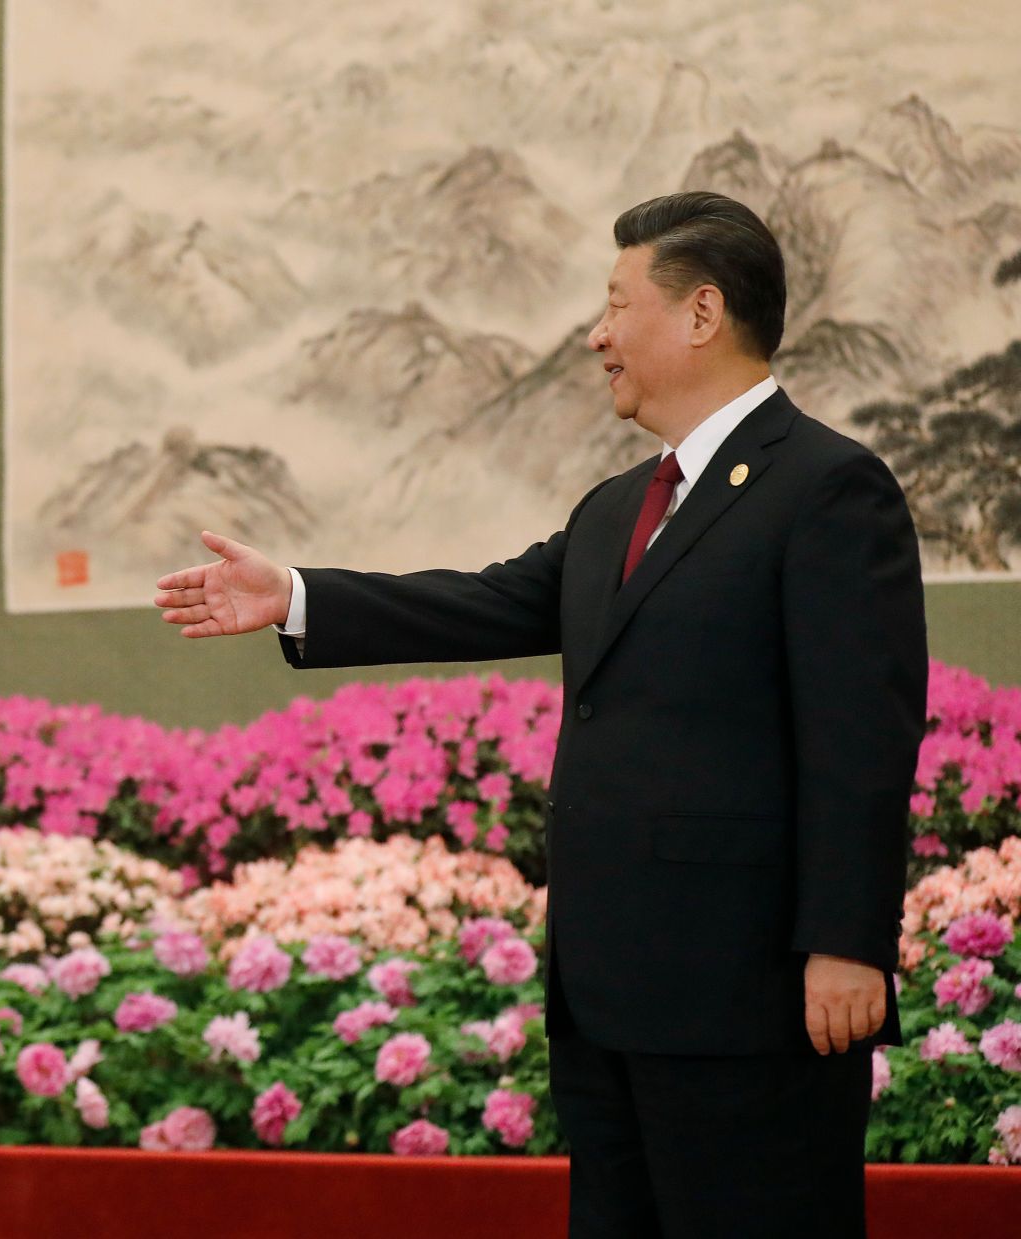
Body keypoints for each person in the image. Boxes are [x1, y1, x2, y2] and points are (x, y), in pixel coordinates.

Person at [155, 191, 925, 1239]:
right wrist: (293, 594)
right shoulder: (618, 506)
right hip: (607, 999)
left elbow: (862, 739)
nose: (596, 335)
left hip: (746, 999)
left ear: (700, 314)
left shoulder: (829, 489)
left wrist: (845, 940)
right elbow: (487, 601)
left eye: (615, 305)